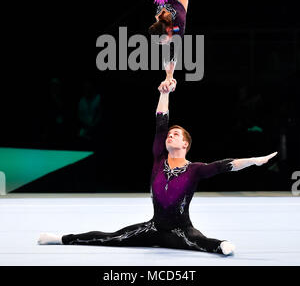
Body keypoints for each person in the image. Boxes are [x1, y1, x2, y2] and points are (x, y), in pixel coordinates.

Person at [38, 63, 277, 256]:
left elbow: (226, 165)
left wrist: (254, 160)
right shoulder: (158, 158)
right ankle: (61, 238)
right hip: (153, 228)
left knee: (199, 241)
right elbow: (161, 121)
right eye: (170, 134)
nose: (170, 135)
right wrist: (164, 93)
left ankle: (220, 244)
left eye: (177, 134)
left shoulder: (195, 169)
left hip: (180, 230)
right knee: (109, 237)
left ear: (185, 144)